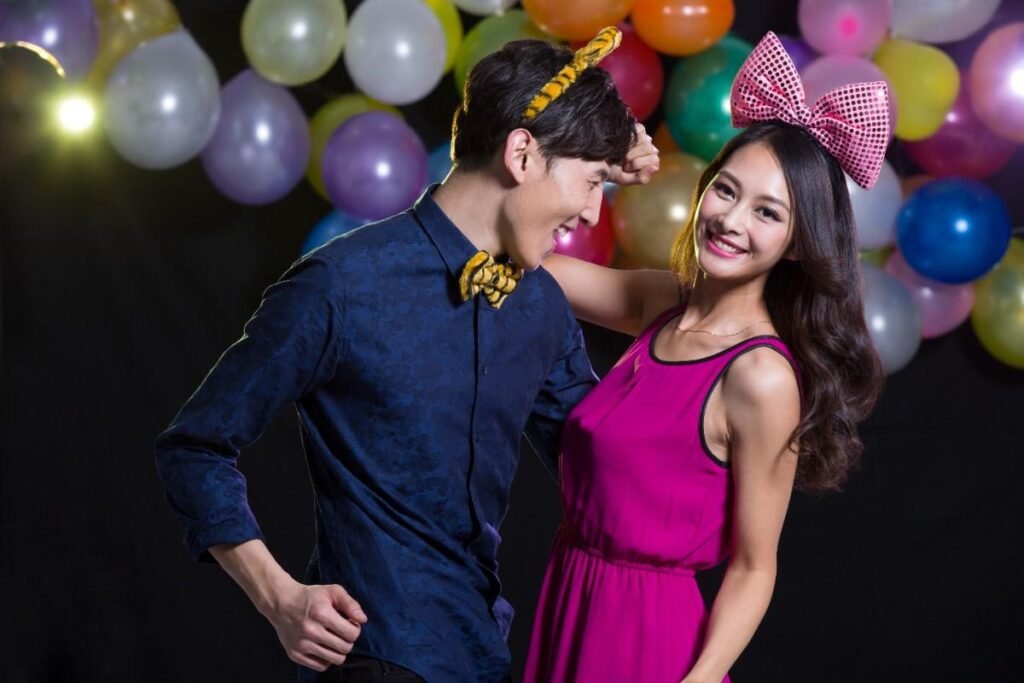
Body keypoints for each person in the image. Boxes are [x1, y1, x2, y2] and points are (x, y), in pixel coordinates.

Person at [154, 29, 659, 683]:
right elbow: (194, 445)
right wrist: (278, 596)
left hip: (484, 654)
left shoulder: (540, 306)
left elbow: (601, 464)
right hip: (377, 658)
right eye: (591, 181)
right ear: (522, 153)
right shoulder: (343, 282)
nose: (594, 211)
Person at [524, 32, 889, 683]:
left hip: (651, 645)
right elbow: (528, 265)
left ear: (800, 244)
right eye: (725, 190)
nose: (731, 220)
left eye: (768, 212)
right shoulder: (659, 302)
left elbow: (755, 567)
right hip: (570, 600)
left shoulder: (762, 377)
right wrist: (599, 161)